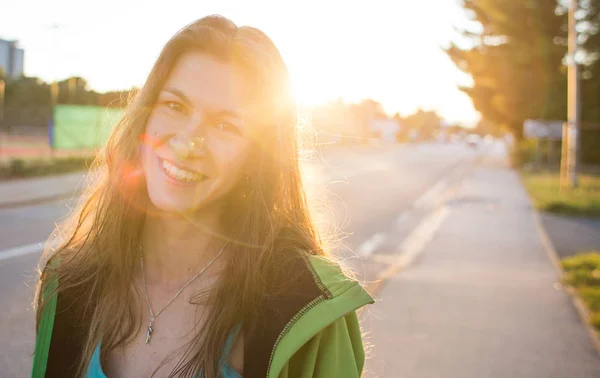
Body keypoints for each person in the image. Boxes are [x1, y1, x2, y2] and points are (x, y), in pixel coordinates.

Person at [31, 15, 373, 378]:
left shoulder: (306, 307)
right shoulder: (70, 284)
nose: (188, 141)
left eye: (225, 125)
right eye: (175, 106)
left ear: (256, 158)